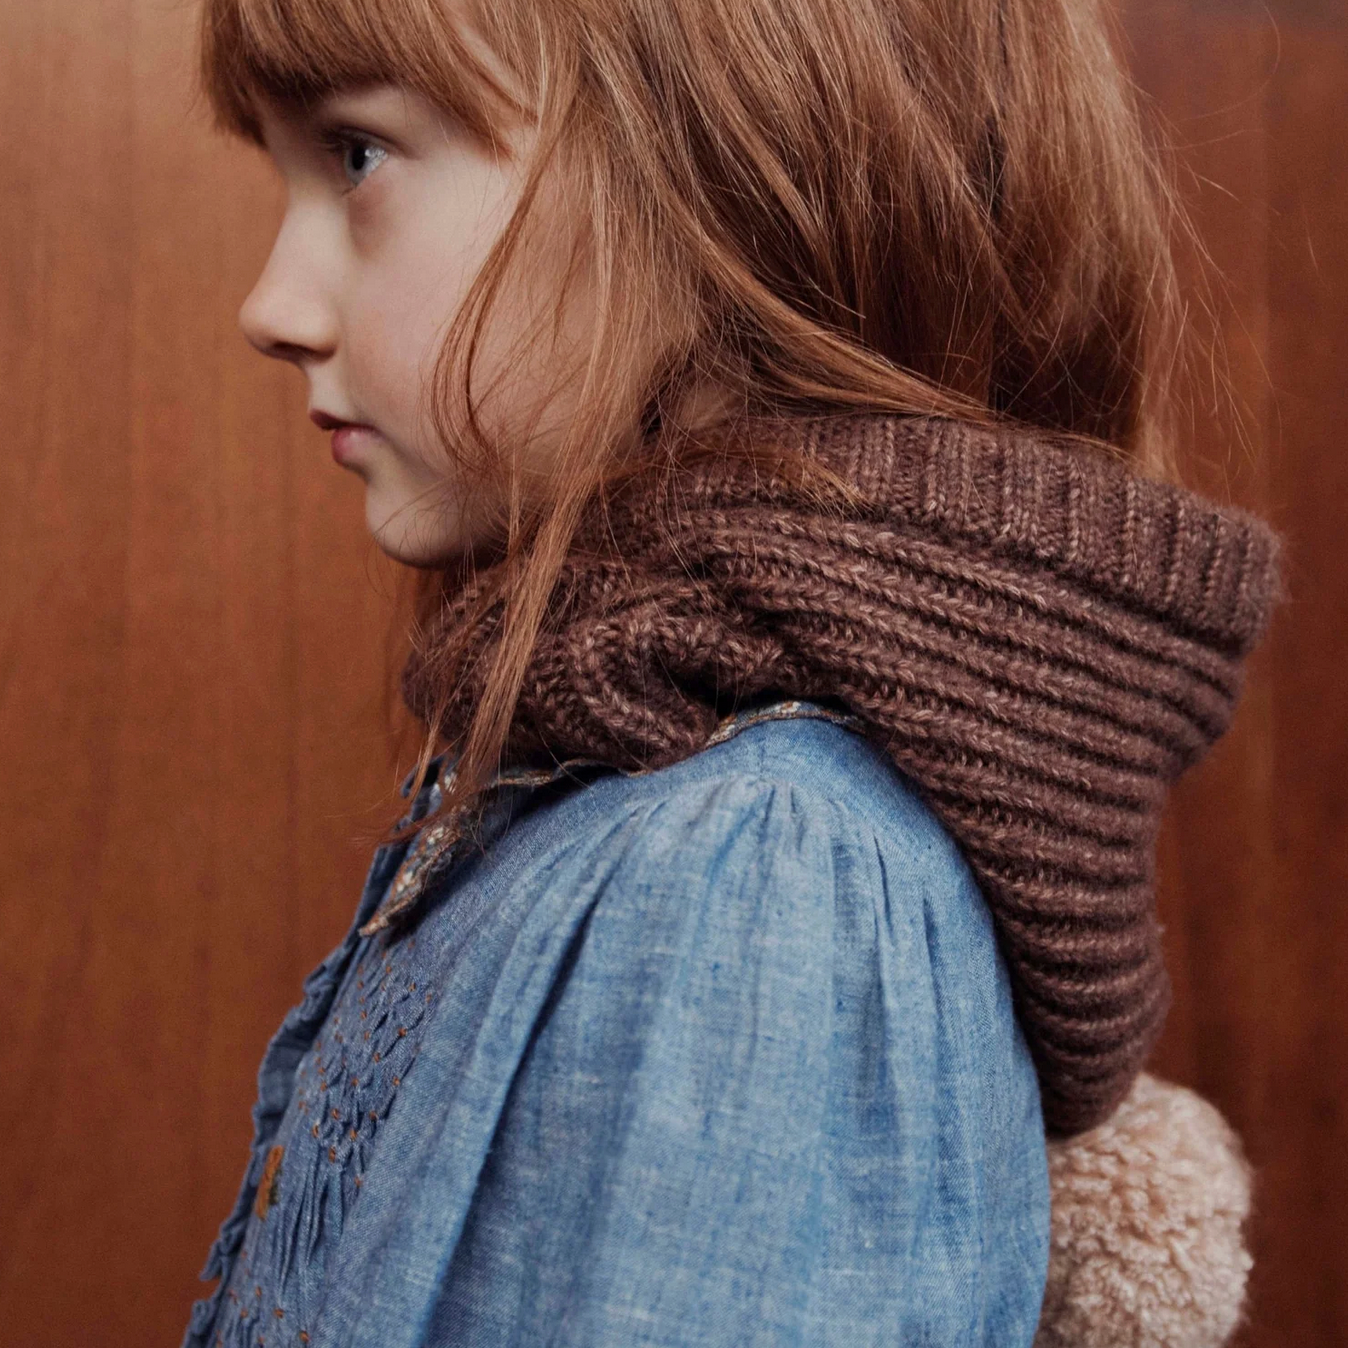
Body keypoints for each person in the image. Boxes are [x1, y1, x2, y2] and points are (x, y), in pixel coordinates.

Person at [182, 1, 1282, 1345]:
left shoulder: (759, 860)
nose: (269, 307)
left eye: (358, 155)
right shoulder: (643, 759)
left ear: (731, 161)